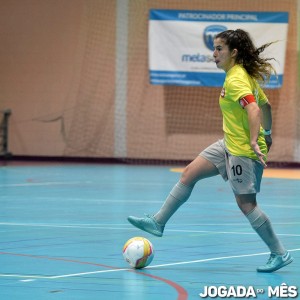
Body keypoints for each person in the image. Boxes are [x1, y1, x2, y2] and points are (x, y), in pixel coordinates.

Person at [127, 29, 293, 273]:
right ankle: (158, 222)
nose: (213, 54)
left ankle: (279, 253)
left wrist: (256, 140)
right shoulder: (240, 75)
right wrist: (267, 134)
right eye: (214, 48)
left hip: (242, 151)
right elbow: (267, 106)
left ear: (233, 53)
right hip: (228, 143)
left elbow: (256, 110)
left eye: (219, 49)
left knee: (247, 205)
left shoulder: (237, 79)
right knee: (189, 174)